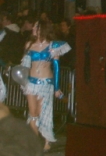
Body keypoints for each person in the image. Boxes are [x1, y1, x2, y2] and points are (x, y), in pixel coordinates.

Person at [21, 21, 70, 151]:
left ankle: (46, 141)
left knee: (44, 113)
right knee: (33, 113)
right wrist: (22, 80)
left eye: (37, 26)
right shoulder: (29, 44)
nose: (33, 28)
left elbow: (57, 67)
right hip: (31, 83)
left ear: (43, 29)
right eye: (34, 26)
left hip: (46, 83)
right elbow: (25, 65)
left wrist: (57, 87)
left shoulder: (53, 46)